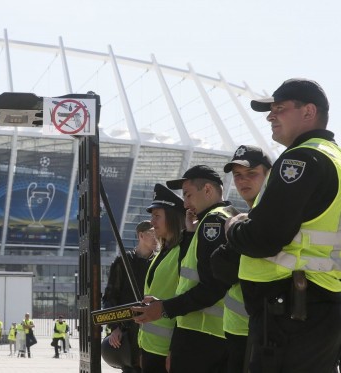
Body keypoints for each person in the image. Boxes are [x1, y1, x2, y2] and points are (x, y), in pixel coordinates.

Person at [225, 79, 341, 372]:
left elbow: (263, 238)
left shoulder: (302, 159)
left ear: (308, 111)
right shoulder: (334, 158)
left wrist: (234, 226)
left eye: (279, 108)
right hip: (320, 306)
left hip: (291, 310)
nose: (270, 116)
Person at [133, 165, 233, 372]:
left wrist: (165, 308)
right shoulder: (218, 218)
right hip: (204, 333)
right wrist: (189, 234)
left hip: (203, 336)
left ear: (207, 190)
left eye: (188, 195)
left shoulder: (213, 222)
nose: (185, 204)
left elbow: (211, 287)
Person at [211, 145, 271, 373]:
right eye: (237, 175)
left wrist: (233, 232)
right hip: (242, 328)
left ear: (268, 175)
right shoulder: (248, 214)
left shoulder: (264, 215)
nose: (243, 181)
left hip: (258, 331)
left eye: (252, 174)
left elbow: (222, 268)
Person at [134, 184, 186, 373]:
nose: (152, 222)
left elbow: (184, 302)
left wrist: (175, 349)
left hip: (166, 352)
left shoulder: (182, 252)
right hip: (150, 347)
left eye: (157, 216)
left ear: (172, 217)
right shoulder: (162, 252)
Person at [102, 220, 156, 372]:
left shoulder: (159, 262)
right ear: (141, 236)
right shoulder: (123, 262)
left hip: (152, 329)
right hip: (128, 330)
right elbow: (110, 297)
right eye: (152, 234)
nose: (156, 237)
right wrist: (114, 328)